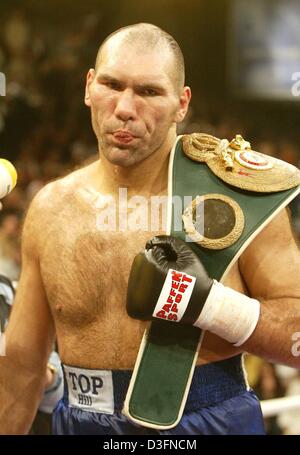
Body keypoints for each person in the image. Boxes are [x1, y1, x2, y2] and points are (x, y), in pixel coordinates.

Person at [0, 23, 300, 436]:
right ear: (89, 86)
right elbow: (20, 368)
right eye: (111, 84)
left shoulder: (235, 199)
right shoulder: (52, 209)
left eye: (149, 92)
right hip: (79, 420)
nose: (125, 107)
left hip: (208, 422)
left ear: (182, 103)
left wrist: (211, 306)